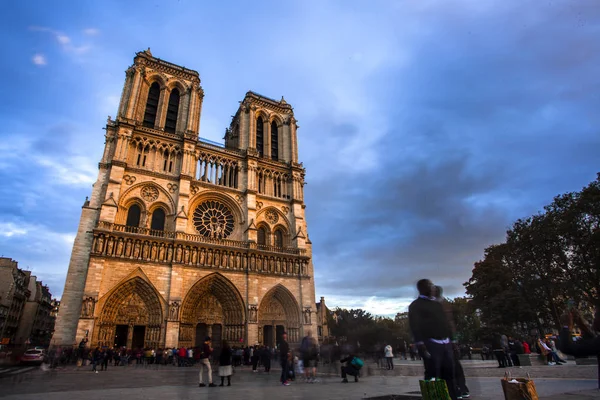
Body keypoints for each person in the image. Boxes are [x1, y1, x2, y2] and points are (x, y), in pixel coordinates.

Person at [409, 279, 458, 400]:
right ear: (423, 288)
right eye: (430, 285)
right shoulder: (416, 305)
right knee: (432, 373)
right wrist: (420, 343)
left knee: (449, 372)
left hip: (444, 342)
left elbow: (446, 322)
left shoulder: (437, 304)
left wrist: (453, 339)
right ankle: (433, 397)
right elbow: (415, 325)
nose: (433, 288)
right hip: (430, 342)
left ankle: (452, 396)